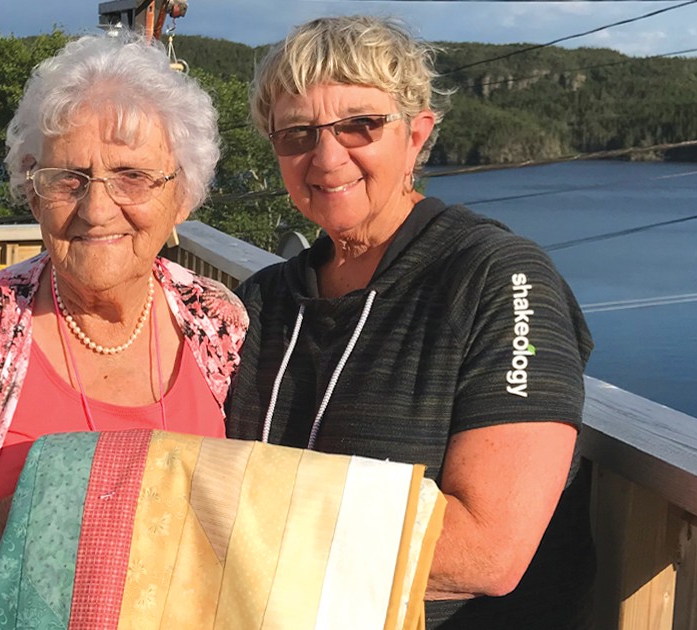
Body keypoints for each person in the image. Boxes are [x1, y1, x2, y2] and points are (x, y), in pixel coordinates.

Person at [0, 34, 247, 629]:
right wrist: (20, 520)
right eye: (68, 178)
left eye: (132, 176)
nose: (97, 208)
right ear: (33, 191)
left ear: (182, 195)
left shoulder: (216, 321)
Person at [225, 15, 595, 629]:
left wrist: (231, 519)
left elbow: (486, 552)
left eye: (359, 125)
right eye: (297, 133)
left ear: (416, 136)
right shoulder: (266, 300)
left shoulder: (497, 278)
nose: (326, 156)